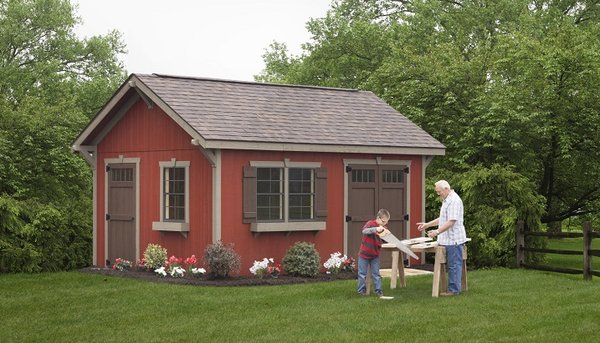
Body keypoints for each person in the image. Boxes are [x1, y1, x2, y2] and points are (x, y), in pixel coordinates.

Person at [417, 180, 467, 296]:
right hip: (447, 240)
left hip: (453, 239)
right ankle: (452, 288)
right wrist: (427, 224)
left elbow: (451, 221)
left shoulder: (454, 201)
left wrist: (437, 232)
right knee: (451, 264)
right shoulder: (447, 200)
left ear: (446, 189)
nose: (438, 194)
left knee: (454, 265)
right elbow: (443, 219)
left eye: (439, 192)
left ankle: (454, 291)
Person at [357, 208, 390, 297]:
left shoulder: (383, 228)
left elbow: (385, 240)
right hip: (364, 254)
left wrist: (388, 236)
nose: (385, 224)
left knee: (376, 274)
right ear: (378, 218)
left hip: (375, 255)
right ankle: (361, 291)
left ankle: (378, 291)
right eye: (383, 221)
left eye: (386, 222)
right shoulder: (370, 224)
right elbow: (364, 231)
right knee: (362, 274)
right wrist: (375, 229)